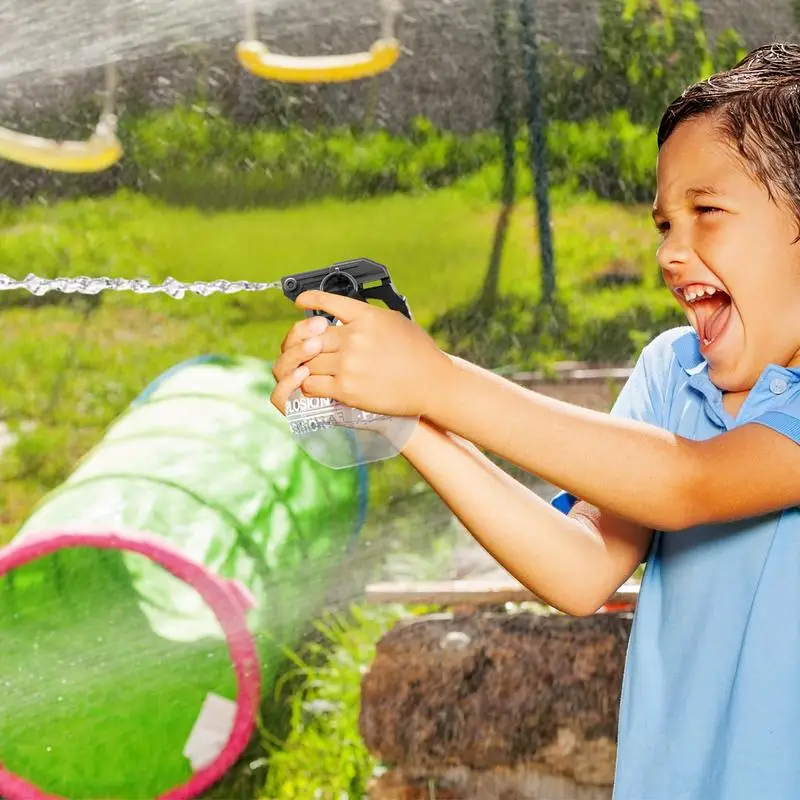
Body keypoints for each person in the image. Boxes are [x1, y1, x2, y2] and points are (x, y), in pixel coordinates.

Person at [271, 42, 800, 799]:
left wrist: (438, 379)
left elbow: (690, 484)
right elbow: (581, 569)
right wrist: (409, 418)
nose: (671, 252)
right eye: (662, 224)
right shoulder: (671, 373)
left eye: (706, 212)